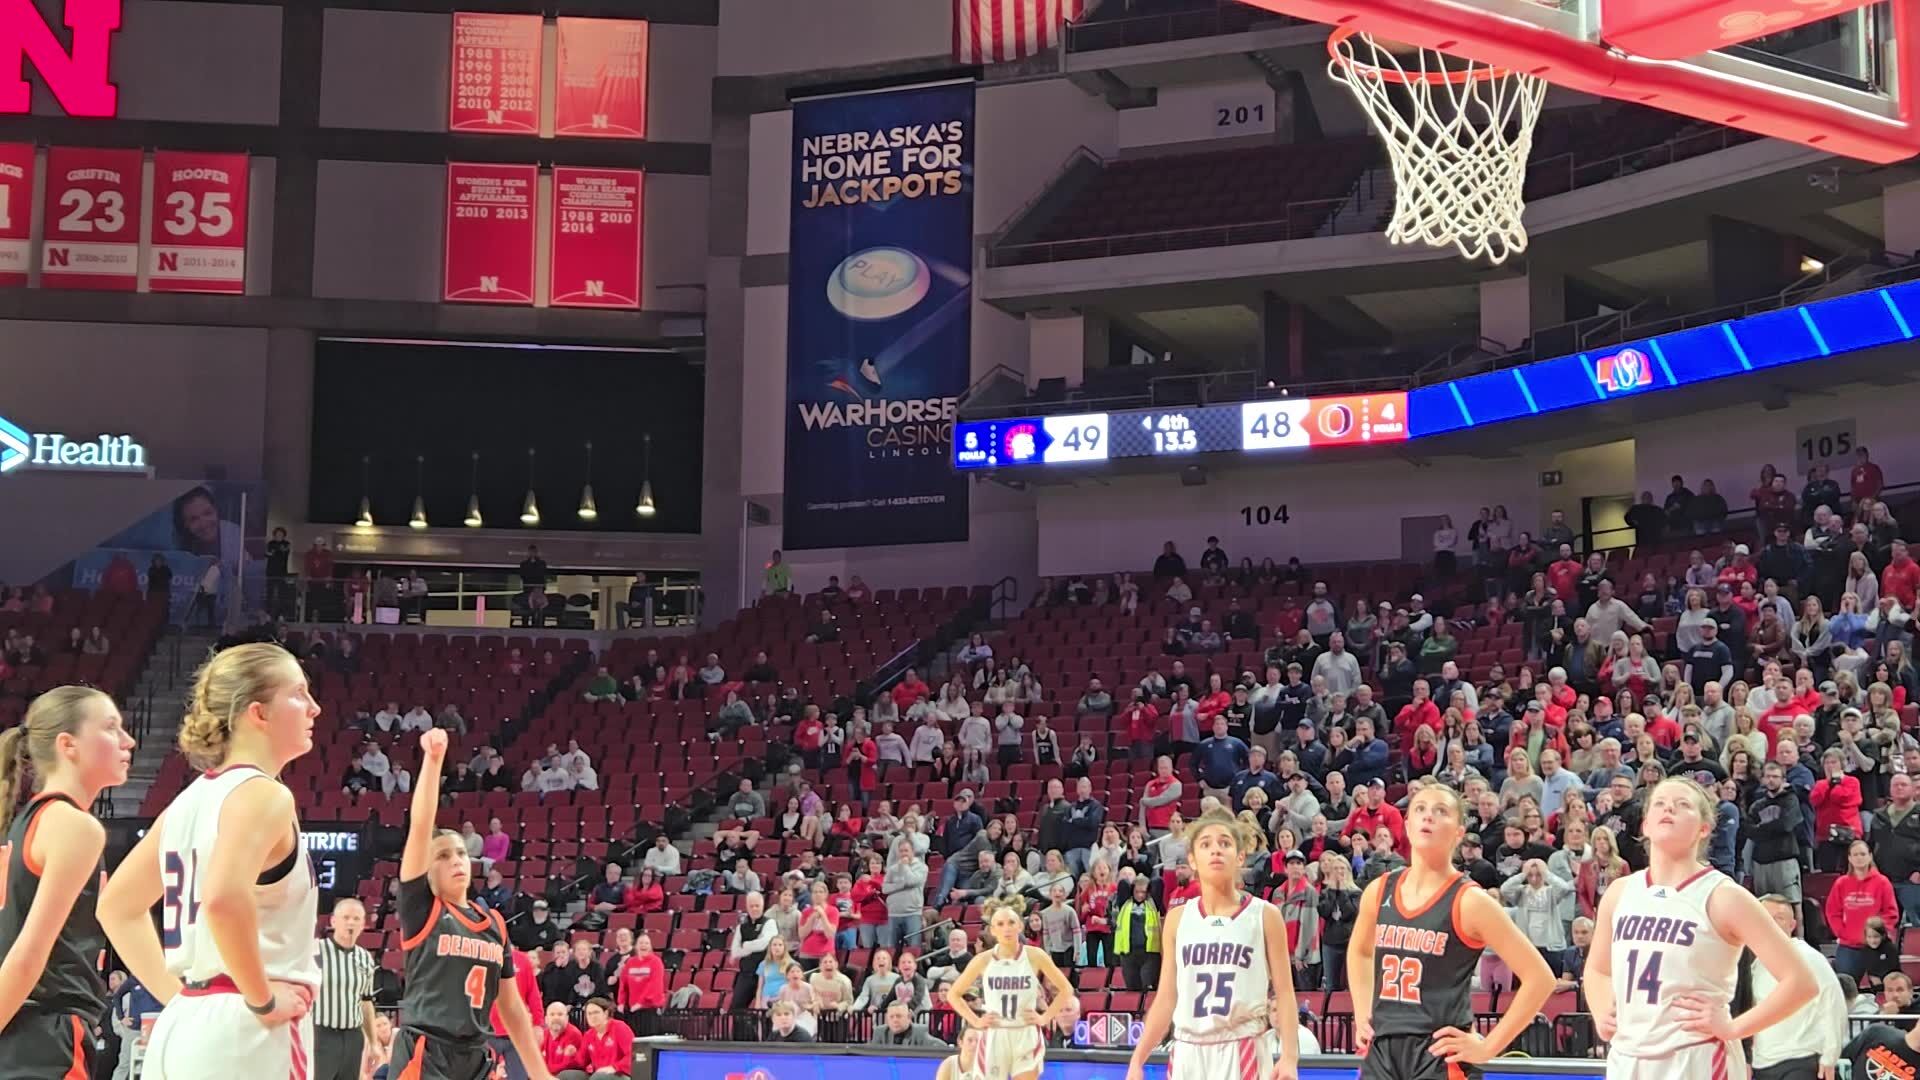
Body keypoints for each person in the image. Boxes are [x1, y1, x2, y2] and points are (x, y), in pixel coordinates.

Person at [98, 644, 323, 1080]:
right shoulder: (265, 794)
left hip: (185, 1022)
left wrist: (177, 995)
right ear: (258, 714)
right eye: (298, 694)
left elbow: (117, 906)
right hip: (247, 1030)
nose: (314, 707)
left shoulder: (189, 800)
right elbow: (223, 900)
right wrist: (262, 998)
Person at [1585, 777, 1818, 1080]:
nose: (1668, 807)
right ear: (1644, 825)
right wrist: (1601, 1009)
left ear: (1704, 829)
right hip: (1627, 1058)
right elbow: (1598, 970)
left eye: (1682, 805)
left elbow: (1801, 982)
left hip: (1696, 1055)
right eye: (1660, 803)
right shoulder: (1620, 891)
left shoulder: (1723, 895)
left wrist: (1734, 1028)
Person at [1350, 786, 1552, 1079]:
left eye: (1440, 810)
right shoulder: (1379, 889)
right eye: (1419, 809)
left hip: (1439, 1054)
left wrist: (1489, 1047)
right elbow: (1360, 951)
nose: (1427, 816)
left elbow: (1540, 978)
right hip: (1381, 1049)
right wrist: (1361, 1010)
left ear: (1458, 833)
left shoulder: (1470, 900)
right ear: (1406, 825)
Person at [386, 730, 552, 1080]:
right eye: (443, 855)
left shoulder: (494, 923)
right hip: (426, 1049)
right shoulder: (422, 910)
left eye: (461, 852)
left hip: (476, 1052)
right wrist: (433, 762)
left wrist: (540, 1073)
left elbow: (512, 1009)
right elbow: (419, 827)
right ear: (427, 868)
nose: (457, 860)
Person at [0, 686, 134, 1080]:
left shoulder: (26, 821)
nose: (128, 740)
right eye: (111, 728)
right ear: (68, 744)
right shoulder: (74, 825)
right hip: (43, 1037)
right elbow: (28, 955)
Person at [1127, 810, 1300, 1080]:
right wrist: (1137, 1059)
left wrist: (1290, 1057)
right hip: (1186, 1049)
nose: (1216, 850)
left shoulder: (1264, 915)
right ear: (1193, 860)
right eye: (1206, 844)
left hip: (1241, 1045)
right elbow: (1166, 998)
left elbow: (1285, 993)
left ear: (1240, 857)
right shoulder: (1176, 918)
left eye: (1225, 843)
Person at [947, 896, 1077, 1080]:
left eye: (1011, 922)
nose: (1006, 928)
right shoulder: (983, 960)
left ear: (1020, 926)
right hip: (995, 1033)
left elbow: (1066, 989)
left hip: (1025, 1031)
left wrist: (1045, 1017)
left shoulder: (1034, 955)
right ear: (992, 930)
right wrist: (975, 1022)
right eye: (1000, 924)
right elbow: (954, 994)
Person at [1750, 894, 1848, 1080]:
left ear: (1792, 925)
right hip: (1763, 1062)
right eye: (1766, 917)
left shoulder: (1809, 957)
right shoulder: (1755, 963)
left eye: (1779, 918)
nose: (1771, 923)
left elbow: (1833, 1004)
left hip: (1801, 1060)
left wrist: (1830, 1055)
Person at [313, 898, 378, 1080]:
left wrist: (373, 1042)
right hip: (321, 1034)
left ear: (363, 925)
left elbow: (366, 1002)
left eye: (356, 919)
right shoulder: (316, 951)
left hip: (353, 1037)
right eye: (346, 917)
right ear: (333, 921)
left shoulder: (365, 958)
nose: (351, 922)